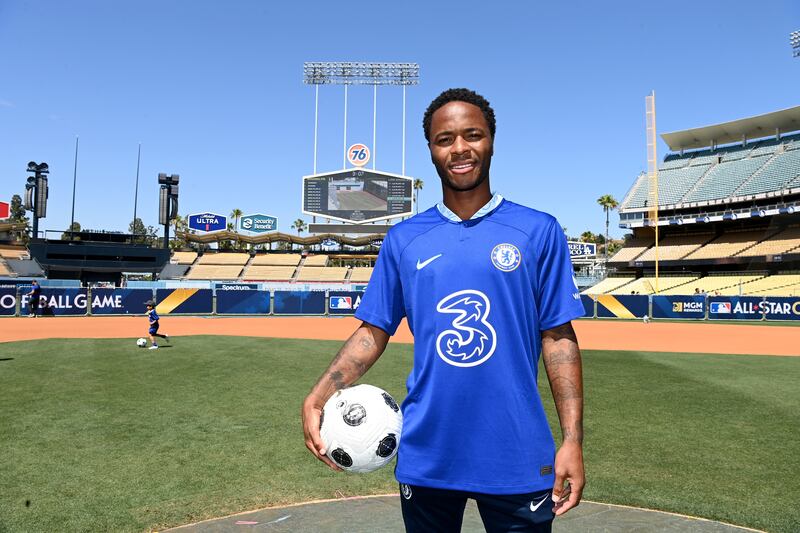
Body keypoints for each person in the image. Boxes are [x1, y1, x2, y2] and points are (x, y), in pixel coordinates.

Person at [302, 88, 585, 532]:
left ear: (491, 140)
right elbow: (372, 330)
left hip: (517, 450)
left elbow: (559, 338)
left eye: (472, 135)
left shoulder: (538, 231)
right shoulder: (404, 239)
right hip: (428, 452)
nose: (460, 149)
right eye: (445, 139)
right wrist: (318, 395)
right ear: (431, 150)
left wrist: (572, 440)